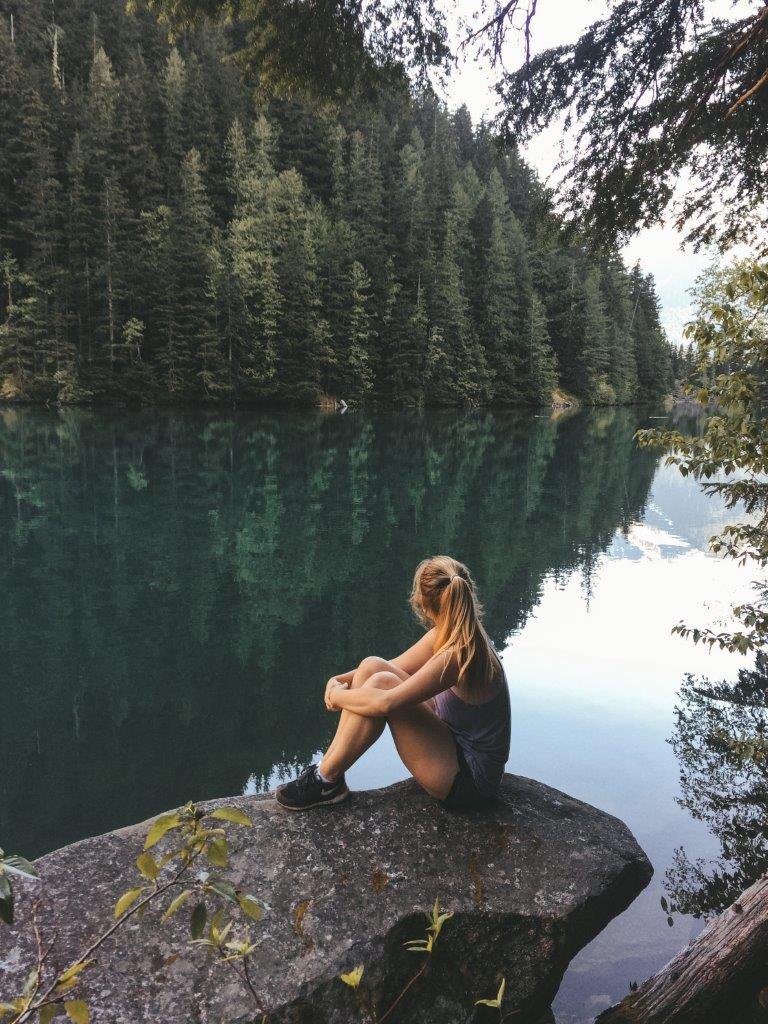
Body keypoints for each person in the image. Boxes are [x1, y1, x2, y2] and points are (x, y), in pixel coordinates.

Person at [275, 555, 511, 812]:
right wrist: (338, 680)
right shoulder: (454, 632)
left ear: (424, 604)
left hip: (469, 781)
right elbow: (391, 665)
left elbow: (387, 702)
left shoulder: (459, 654)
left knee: (384, 685)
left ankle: (324, 778)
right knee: (372, 667)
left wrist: (336, 696)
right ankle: (329, 775)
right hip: (451, 740)